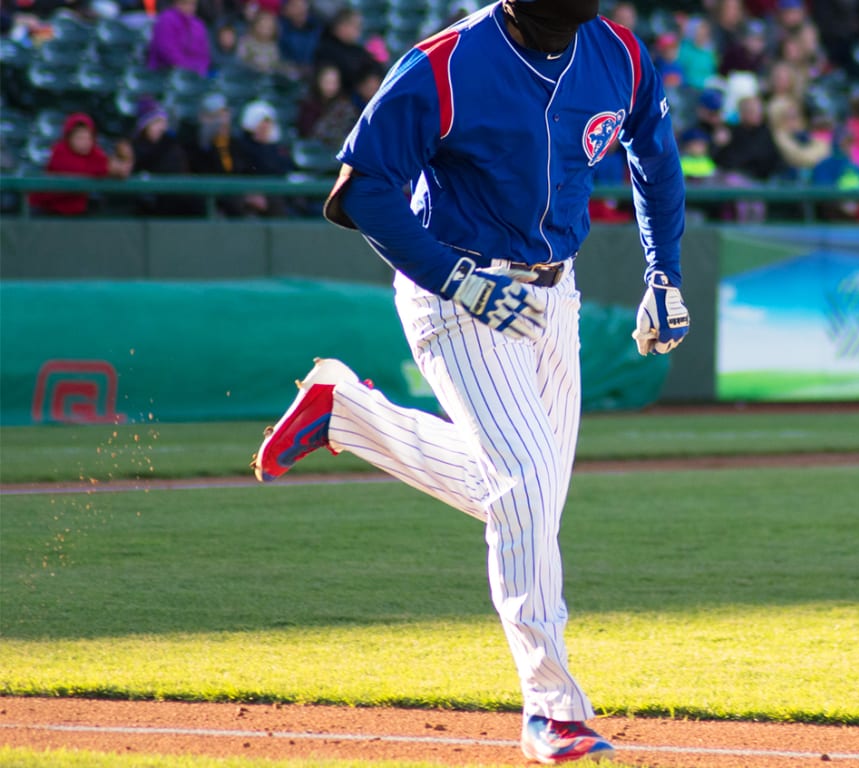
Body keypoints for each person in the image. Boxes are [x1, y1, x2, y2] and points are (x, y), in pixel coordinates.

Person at [250, 1, 685, 764]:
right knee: (522, 490)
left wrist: (664, 272)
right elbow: (362, 190)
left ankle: (344, 413)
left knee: (532, 496)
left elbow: (653, 147)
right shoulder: (443, 64)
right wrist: (454, 278)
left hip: (556, 293)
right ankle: (552, 708)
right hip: (456, 290)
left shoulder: (618, 53)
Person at [29, 113, 131, 215]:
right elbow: (77, 169)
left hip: (76, 213)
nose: (84, 142)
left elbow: (111, 167)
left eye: (88, 138)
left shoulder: (94, 152)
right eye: (79, 137)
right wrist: (108, 169)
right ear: (69, 138)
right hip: (47, 210)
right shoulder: (59, 150)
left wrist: (124, 161)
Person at [145, 0, 211, 76]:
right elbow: (168, 52)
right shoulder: (166, 19)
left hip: (193, 75)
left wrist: (198, 68)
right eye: (184, 3)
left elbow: (204, 56)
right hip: (164, 75)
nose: (189, 7)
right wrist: (190, 67)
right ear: (175, 3)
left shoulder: (198, 25)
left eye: (193, 4)